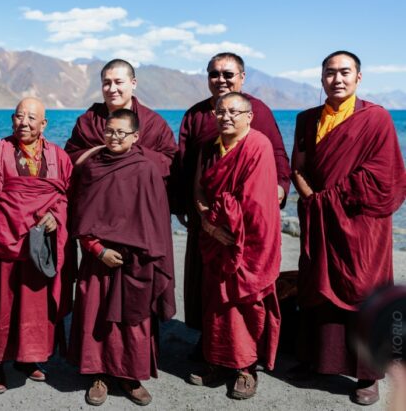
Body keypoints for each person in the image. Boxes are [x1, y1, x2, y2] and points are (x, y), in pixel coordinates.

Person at [291, 51, 406, 405]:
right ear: (321, 78)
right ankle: (319, 361)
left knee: (363, 293)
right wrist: (314, 200)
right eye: (330, 73)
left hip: (362, 224)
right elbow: (298, 167)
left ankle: (366, 375)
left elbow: (383, 177)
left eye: (345, 72)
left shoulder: (376, 119)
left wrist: (331, 198)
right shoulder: (306, 119)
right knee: (318, 287)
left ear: (359, 77)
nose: (337, 79)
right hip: (320, 220)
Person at [172, 52, 290, 335]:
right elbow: (185, 164)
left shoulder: (257, 110)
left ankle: (247, 350)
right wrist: (185, 206)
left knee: (246, 282)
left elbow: (276, 154)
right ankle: (210, 343)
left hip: (249, 222)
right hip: (207, 216)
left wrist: (280, 189)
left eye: (228, 74)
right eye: (214, 74)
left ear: (242, 77)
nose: (221, 79)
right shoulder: (195, 115)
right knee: (207, 281)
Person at [69, 109, 175, 407]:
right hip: (98, 258)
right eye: (109, 131)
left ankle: (130, 375)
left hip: (135, 261)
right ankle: (97, 374)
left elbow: (157, 221)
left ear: (135, 137)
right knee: (95, 314)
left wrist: (146, 255)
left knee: (133, 319)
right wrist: (96, 249)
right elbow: (80, 214)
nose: (114, 138)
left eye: (121, 133)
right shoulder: (93, 167)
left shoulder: (146, 169)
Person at [0, 97, 73, 393]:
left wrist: (57, 216)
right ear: (12, 120)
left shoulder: (58, 156)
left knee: (34, 307)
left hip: (38, 244)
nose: (24, 123)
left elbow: (65, 196)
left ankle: (27, 359)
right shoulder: (0, 149)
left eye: (32, 118)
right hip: (4, 239)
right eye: (19, 116)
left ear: (44, 124)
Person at [186, 92, 282, 400]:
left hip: (248, 242)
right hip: (216, 238)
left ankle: (246, 368)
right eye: (220, 111)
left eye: (234, 111)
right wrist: (209, 223)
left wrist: (231, 231)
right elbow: (199, 189)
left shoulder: (258, 146)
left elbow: (258, 203)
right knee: (216, 303)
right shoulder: (209, 148)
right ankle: (218, 361)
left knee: (244, 303)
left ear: (249, 117)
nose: (226, 116)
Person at [64, 58, 176, 180]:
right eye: (106, 83)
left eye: (118, 82)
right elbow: (68, 160)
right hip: (96, 192)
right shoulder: (88, 121)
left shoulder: (154, 123)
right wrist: (100, 151)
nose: (112, 89)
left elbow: (171, 162)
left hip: (139, 191)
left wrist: (132, 152)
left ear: (133, 83)